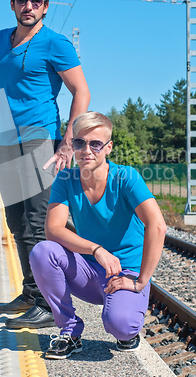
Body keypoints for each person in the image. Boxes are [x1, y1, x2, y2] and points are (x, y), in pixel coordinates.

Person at [0, 0, 90, 329]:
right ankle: (31, 294)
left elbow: (81, 92)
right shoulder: (0, 40)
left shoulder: (55, 44)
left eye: (35, 0)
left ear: (45, 6)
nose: (28, 6)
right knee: (15, 221)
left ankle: (49, 305)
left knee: (37, 222)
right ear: (12, 3)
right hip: (9, 139)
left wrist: (67, 141)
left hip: (40, 138)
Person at [29, 111, 167, 358]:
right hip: (89, 272)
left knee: (121, 327)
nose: (87, 150)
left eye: (95, 144)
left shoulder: (126, 177)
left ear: (108, 147)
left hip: (125, 273)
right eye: (80, 143)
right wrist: (96, 249)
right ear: (73, 146)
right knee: (43, 252)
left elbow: (157, 226)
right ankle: (69, 331)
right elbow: (53, 230)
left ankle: (128, 319)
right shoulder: (67, 179)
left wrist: (140, 281)